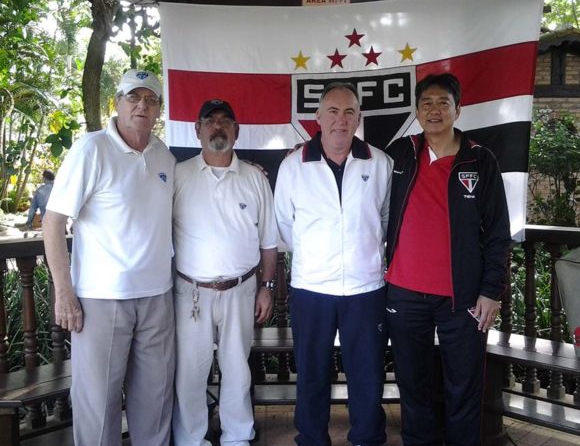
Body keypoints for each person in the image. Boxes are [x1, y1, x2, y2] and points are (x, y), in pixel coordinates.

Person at [42, 70, 175, 446]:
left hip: (157, 297)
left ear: (159, 109)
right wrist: (64, 293)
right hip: (101, 299)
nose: (142, 105)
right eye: (133, 97)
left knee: (155, 402)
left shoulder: (164, 155)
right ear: (116, 102)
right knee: (98, 406)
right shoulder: (91, 149)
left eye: (150, 100)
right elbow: (53, 222)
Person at [384, 73, 511, 446]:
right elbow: (354, 163)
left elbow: (499, 232)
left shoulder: (480, 159)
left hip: (464, 298)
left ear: (458, 109)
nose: (434, 110)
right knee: (413, 385)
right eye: (426, 103)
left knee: (464, 387)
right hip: (404, 293)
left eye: (443, 103)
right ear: (417, 111)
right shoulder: (400, 153)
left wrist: (491, 291)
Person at [275, 82, 393, 446]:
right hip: (311, 288)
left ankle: (367, 438)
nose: (341, 120)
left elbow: (385, 220)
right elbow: (285, 226)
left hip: (365, 288)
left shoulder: (380, 163)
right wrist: (318, 257)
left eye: (349, 112)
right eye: (333, 111)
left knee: (367, 373)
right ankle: (312, 439)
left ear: (358, 118)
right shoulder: (293, 165)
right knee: (311, 373)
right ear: (318, 117)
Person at [172, 99, 278, 446]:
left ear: (236, 130)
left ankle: (237, 436)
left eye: (224, 121)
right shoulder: (178, 175)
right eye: (210, 120)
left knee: (236, 368)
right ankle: (191, 439)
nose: (217, 126)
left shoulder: (255, 178)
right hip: (191, 292)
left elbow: (269, 242)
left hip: (241, 289)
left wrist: (266, 286)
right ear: (197, 129)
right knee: (190, 372)